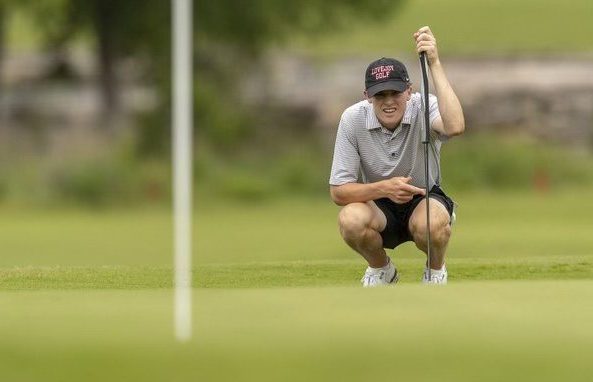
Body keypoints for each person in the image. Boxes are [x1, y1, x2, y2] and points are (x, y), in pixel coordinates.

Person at [329, 26, 465, 286]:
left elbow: (456, 126)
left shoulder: (424, 104)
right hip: (377, 203)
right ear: (367, 96)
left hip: (424, 197)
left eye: (395, 92)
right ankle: (382, 270)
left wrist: (434, 62)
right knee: (350, 220)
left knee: (432, 226)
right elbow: (339, 192)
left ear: (409, 91)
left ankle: (435, 272)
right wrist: (385, 188)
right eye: (380, 94)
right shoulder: (352, 119)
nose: (388, 101)